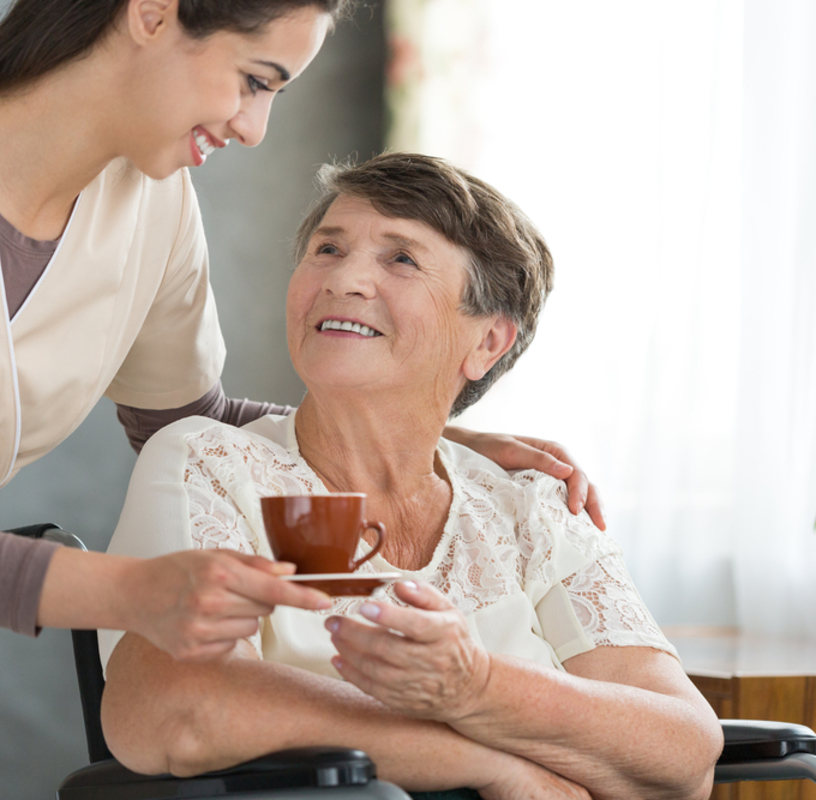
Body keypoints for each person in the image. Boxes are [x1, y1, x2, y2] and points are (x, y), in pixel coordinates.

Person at [0, 3, 606, 799]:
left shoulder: (152, 206)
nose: (256, 128)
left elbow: (184, 421)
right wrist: (133, 592)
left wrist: (430, 441)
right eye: (255, 80)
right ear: (151, 14)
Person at [99, 153, 723, 800]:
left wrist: (477, 687)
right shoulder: (217, 468)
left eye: (400, 258)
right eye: (327, 248)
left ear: (487, 344)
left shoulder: (527, 507)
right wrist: (493, 766)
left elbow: (685, 755)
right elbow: (179, 705)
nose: (344, 278)